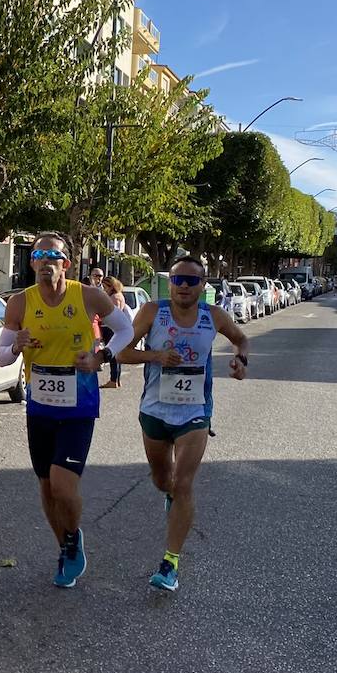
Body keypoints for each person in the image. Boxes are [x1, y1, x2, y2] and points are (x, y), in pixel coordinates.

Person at [0, 234, 137, 588]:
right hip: (40, 408)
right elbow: (1, 356)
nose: (45, 261)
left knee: (62, 485)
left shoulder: (88, 295)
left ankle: (73, 536)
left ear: (66, 263)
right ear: (31, 263)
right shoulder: (19, 303)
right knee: (46, 488)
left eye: (53, 255)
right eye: (38, 255)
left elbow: (126, 330)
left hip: (79, 405)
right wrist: (15, 344)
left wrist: (101, 356)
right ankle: (66, 548)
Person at [113, 255, 249, 594]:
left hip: (195, 412)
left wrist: (240, 360)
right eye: (178, 280)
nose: (185, 286)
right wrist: (155, 356)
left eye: (192, 281)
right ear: (169, 283)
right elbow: (121, 352)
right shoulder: (151, 313)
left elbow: (241, 339)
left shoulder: (213, 316)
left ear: (204, 286)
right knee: (163, 481)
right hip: (155, 410)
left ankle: (170, 563)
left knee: (183, 482)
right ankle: (170, 496)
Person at [99, 276, 134, 389]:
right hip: (111, 327)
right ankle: (116, 379)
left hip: (110, 328)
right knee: (115, 354)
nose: (104, 289)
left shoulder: (115, 297)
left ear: (111, 286)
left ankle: (114, 379)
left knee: (112, 353)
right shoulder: (118, 295)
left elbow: (115, 313)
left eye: (105, 287)